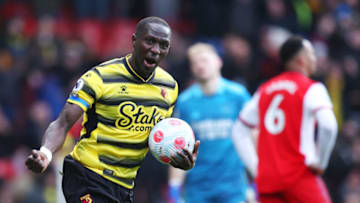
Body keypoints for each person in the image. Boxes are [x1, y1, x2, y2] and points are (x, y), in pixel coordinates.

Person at [25, 16, 200, 203]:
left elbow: (153, 138)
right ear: (134, 41)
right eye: (150, 41)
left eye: (163, 45)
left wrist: (176, 156)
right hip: (87, 176)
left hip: (124, 185)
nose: (155, 50)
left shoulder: (169, 88)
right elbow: (63, 123)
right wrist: (45, 153)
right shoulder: (100, 77)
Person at [232, 36, 338, 203]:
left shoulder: (264, 90)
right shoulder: (311, 88)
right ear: (301, 60)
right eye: (311, 54)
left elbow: (239, 130)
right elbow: (328, 125)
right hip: (300, 175)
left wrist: (255, 167)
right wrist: (321, 162)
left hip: (269, 180)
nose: (315, 58)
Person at [168, 43, 251, 203]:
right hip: (197, 189)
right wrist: (174, 189)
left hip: (233, 187)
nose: (200, 66)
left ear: (218, 62)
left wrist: (255, 181)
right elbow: (179, 147)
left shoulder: (238, 96)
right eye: (195, 63)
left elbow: (253, 138)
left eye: (204, 60)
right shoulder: (185, 102)